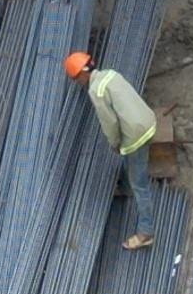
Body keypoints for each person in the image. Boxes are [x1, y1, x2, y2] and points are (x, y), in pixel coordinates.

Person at [67, 49, 162, 243]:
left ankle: (147, 232)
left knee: (140, 184)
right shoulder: (111, 74)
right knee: (133, 164)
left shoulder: (96, 91)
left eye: (76, 79)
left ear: (83, 74)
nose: (78, 83)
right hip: (147, 120)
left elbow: (109, 123)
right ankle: (126, 188)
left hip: (135, 135)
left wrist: (115, 143)